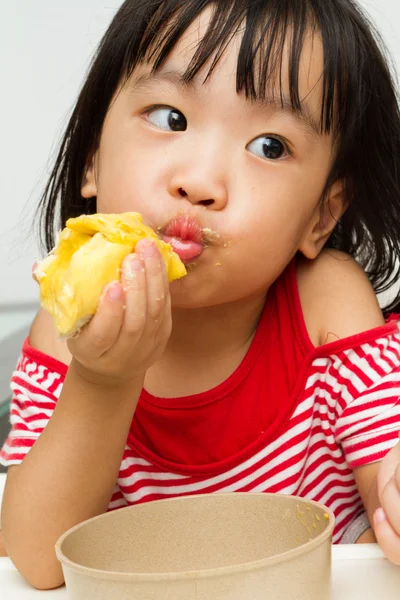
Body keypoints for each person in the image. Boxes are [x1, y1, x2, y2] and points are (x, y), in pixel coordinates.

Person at [2, 0, 400, 589]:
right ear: (92, 160)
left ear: (320, 218)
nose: (199, 181)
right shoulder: (69, 330)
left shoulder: (326, 307)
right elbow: (34, 561)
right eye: (168, 117)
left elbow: (386, 474)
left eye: (269, 146)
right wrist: (103, 381)